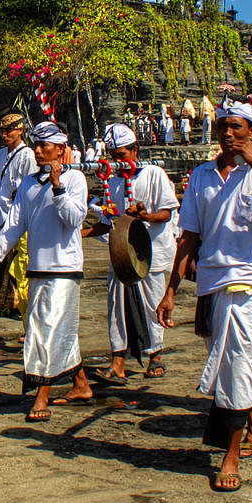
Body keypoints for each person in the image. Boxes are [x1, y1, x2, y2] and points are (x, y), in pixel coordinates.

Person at [157, 98, 252, 493]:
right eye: (223, 127)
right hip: (212, 282)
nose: (229, 133)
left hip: (250, 282)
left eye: (237, 127)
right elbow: (190, 237)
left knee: (240, 364)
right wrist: (170, 291)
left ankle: (230, 457)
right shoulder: (200, 176)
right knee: (227, 365)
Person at [0, 121, 90, 421]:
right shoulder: (27, 184)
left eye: (45, 147)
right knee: (55, 328)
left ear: (61, 150)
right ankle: (81, 384)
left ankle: (42, 396)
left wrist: (58, 186)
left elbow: (73, 218)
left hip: (64, 269)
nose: (38, 151)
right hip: (37, 268)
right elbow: (14, 225)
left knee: (44, 331)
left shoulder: (76, 179)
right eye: (36, 145)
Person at [83, 123, 178, 383]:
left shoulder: (154, 174)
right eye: (114, 157)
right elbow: (108, 222)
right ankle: (118, 362)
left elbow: (166, 212)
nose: (118, 162)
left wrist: (145, 215)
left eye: (122, 156)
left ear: (135, 151)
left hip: (150, 252)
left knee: (151, 304)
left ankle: (155, 355)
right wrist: (80, 234)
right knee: (117, 306)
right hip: (121, 253)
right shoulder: (112, 181)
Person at [0, 112, 37, 340]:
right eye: (2, 130)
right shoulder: (1, 154)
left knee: (20, 277)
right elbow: (0, 187)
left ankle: (29, 328)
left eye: (9, 130)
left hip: (17, 225)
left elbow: (26, 191)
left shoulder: (27, 155)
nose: (5, 134)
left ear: (20, 130)